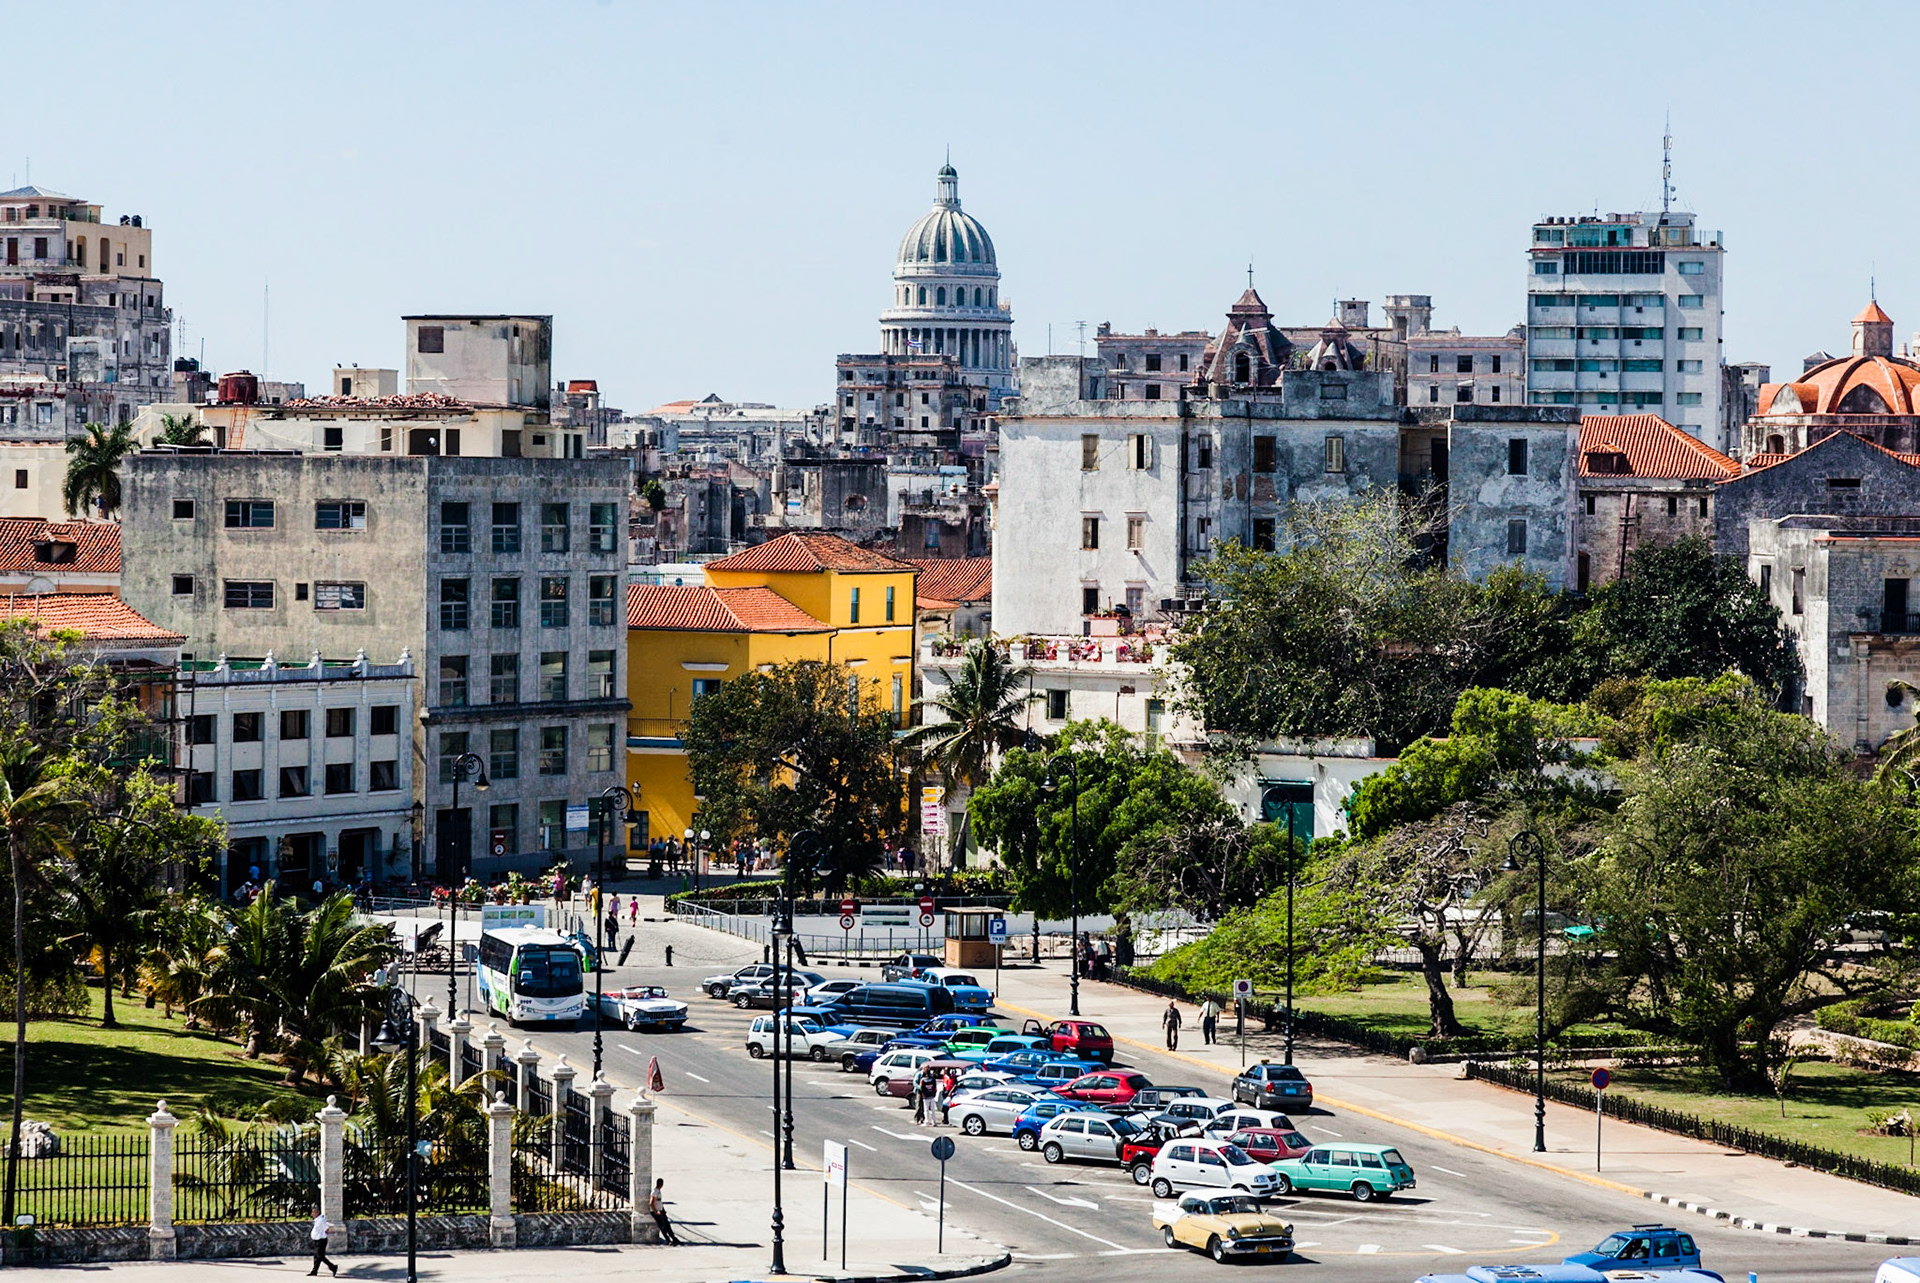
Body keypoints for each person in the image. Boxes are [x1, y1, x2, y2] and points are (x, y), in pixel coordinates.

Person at [307, 1205, 338, 1276]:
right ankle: (314, 1271)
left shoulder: (321, 1220)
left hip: (321, 1240)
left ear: (317, 1212)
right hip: (317, 1240)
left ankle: (333, 1267)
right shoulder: (317, 1220)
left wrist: (322, 1235)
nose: (312, 1214)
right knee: (316, 1256)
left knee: (320, 1256)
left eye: (313, 1212)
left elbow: (326, 1229)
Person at [649, 1177, 680, 1245]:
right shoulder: (655, 1192)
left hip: (661, 1210)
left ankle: (673, 1238)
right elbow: (651, 1203)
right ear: (662, 1185)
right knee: (663, 1226)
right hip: (657, 1211)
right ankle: (668, 1240)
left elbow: (659, 1202)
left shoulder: (658, 1191)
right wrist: (655, 1211)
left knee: (667, 1225)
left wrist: (663, 1210)